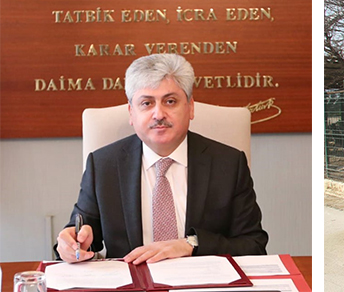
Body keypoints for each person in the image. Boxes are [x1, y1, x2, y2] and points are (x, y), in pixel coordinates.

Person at [55, 54, 267, 264]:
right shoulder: (103, 165)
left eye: (170, 101)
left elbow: (253, 245)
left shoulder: (228, 164)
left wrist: (191, 244)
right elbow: (83, 232)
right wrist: (72, 243)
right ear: (131, 113)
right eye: (146, 103)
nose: (158, 114)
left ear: (191, 107)